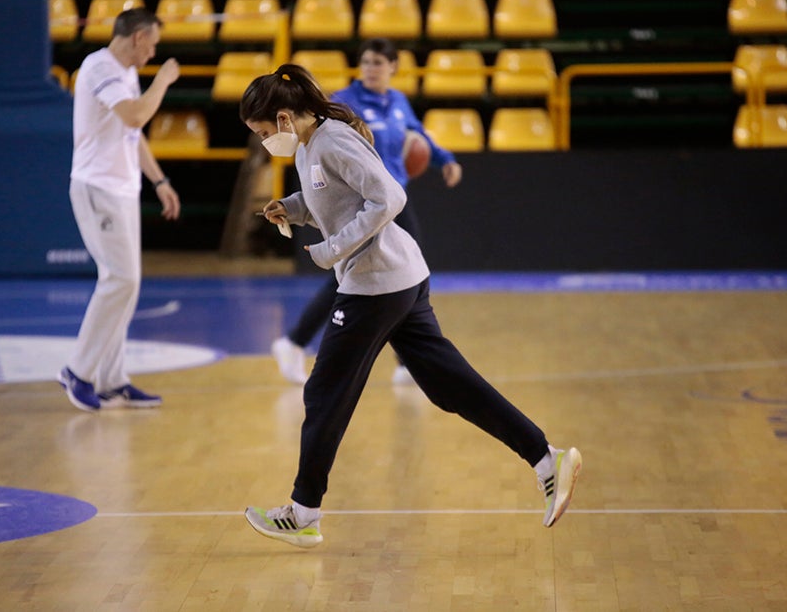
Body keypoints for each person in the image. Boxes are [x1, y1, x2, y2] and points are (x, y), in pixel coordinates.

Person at [240, 63, 582, 548]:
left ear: (281, 118)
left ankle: (302, 512)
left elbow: (388, 197)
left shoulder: (332, 140)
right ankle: (548, 458)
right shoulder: (312, 144)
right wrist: (292, 209)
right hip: (400, 279)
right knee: (449, 385)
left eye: (260, 132)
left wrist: (333, 248)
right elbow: (332, 198)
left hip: (376, 285)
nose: (262, 142)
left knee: (324, 395)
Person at [270, 38, 463, 387]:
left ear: (393, 67)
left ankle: (403, 360)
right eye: (366, 62)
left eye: (378, 62)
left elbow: (419, 139)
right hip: (363, 201)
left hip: (394, 198)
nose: (371, 69)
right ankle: (297, 342)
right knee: (363, 277)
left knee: (403, 274)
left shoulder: (399, 102)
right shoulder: (345, 100)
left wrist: (444, 160)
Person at [57, 7, 181, 412]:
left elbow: (132, 130)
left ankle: (111, 381)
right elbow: (137, 113)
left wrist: (158, 180)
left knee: (127, 284)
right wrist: (162, 80)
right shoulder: (99, 67)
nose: (155, 53)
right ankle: (78, 371)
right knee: (120, 280)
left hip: (122, 189)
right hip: (98, 188)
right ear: (138, 37)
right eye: (154, 44)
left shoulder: (124, 72)